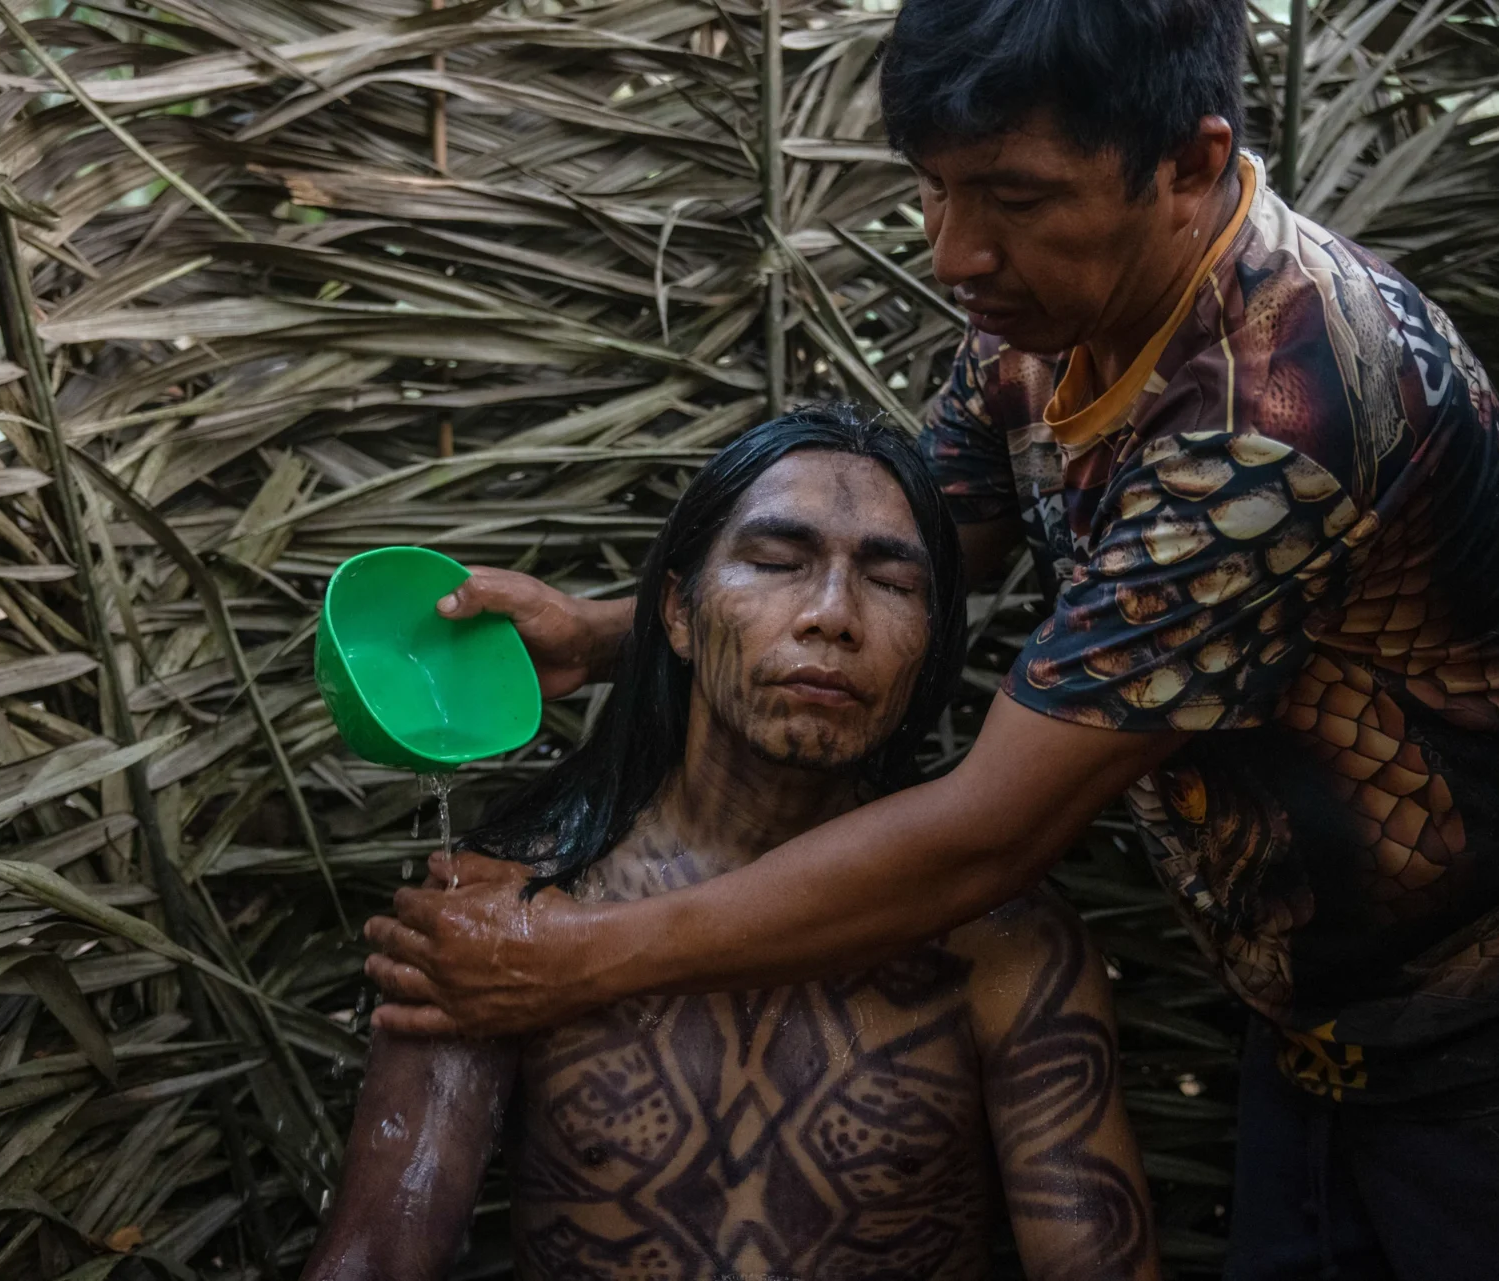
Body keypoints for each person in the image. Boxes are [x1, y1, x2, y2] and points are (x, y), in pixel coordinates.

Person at [364, 1, 1499, 1276]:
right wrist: (612, 633)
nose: (956, 252)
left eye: (1014, 198)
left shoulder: (1280, 413)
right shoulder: (1047, 315)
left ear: (1190, 165)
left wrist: (574, 961)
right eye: (935, 189)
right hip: (1340, 1044)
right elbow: (932, 546)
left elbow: (988, 834)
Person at [314, 408, 1159, 1281]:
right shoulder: (504, 918)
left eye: (891, 582)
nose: (833, 615)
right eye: (776, 562)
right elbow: (380, 1255)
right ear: (676, 613)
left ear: (930, 649)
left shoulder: (1006, 949)